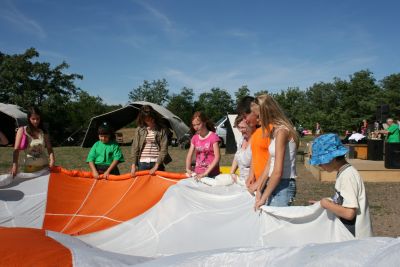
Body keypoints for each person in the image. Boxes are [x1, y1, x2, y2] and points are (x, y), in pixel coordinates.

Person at [309, 133, 373, 238]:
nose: (319, 165)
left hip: (355, 238)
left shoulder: (347, 176)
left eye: (321, 161)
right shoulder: (344, 172)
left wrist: (327, 204)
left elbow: (349, 213)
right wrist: (322, 203)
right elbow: (343, 200)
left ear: (332, 158)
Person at [254, 94, 299, 208]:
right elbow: (269, 165)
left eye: (258, 116)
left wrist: (263, 198)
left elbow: (278, 171)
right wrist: (260, 189)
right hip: (273, 184)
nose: (257, 120)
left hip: (283, 185)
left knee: (278, 224)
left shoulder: (282, 132)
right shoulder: (275, 131)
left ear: (266, 113)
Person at [237, 96, 271, 195]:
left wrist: (259, 184)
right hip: (259, 184)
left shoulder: (271, 130)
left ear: (254, 111)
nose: (245, 120)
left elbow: (272, 162)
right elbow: (255, 158)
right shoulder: (256, 133)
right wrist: (251, 175)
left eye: (245, 116)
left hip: (268, 183)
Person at [11, 107, 55, 176]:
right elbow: (16, 149)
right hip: (30, 168)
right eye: (33, 119)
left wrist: (52, 160)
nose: (36, 121)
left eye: (38, 119)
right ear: (29, 118)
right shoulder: (22, 130)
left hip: (45, 167)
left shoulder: (43, 131)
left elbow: (49, 148)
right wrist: (14, 165)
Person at [131, 105, 172, 176]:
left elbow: (164, 149)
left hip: (157, 163)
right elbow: (135, 148)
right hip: (142, 163)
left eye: (151, 118)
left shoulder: (161, 130)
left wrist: (156, 166)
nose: (150, 121)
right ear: (143, 119)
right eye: (147, 120)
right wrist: (133, 166)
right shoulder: (139, 130)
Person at [185, 111, 220, 180]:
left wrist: (206, 173)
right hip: (198, 173)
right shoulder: (194, 138)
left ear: (204, 122)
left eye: (198, 124)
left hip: (212, 174)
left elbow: (217, 157)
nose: (196, 127)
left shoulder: (213, 137)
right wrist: (188, 168)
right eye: (194, 125)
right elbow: (189, 155)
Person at [229, 114, 256, 185]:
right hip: (241, 181)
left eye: (243, 127)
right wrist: (232, 172)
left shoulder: (256, 140)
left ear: (251, 125)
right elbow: (237, 156)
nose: (241, 130)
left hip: (253, 182)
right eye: (239, 127)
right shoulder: (241, 139)